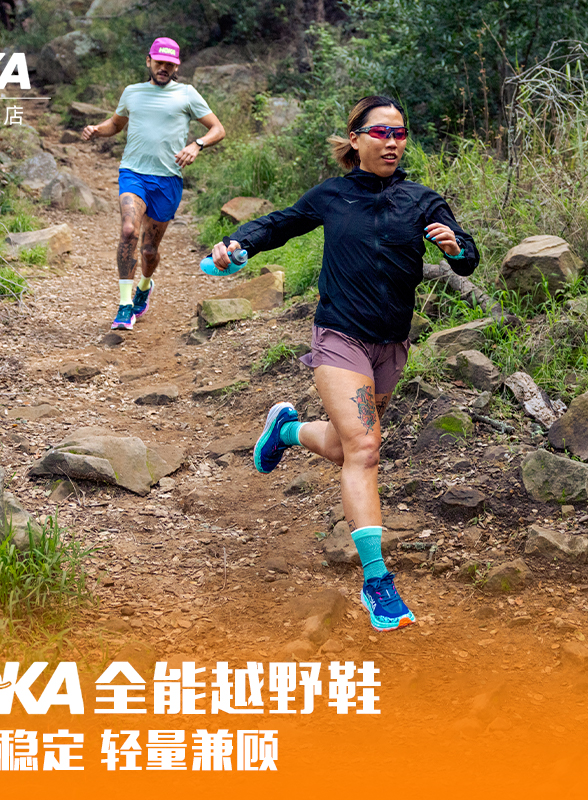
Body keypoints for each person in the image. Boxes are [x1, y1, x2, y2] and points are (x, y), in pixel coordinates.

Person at [211, 95, 479, 632]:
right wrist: (238, 242)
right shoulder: (333, 195)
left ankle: (287, 430)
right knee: (365, 448)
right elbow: (281, 224)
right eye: (381, 133)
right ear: (355, 139)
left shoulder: (422, 201)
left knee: (343, 446)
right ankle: (377, 581)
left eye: (400, 134)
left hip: (391, 345)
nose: (392, 143)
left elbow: (468, 257)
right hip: (340, 335)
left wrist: (453, 247)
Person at [83, 37, 225, 330]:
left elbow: (217, 129)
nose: (164, 68)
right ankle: (124, 306)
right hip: (133, 173)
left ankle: (144, 286)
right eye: (159, 62)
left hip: (167, 180)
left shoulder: (187, 94)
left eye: (169, 64)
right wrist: (98, 130)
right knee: (128, 231)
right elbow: (116, 124)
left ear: (177, 67)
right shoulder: (132, 93)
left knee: (149, 251)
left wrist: (197, 144)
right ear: (149, 61)